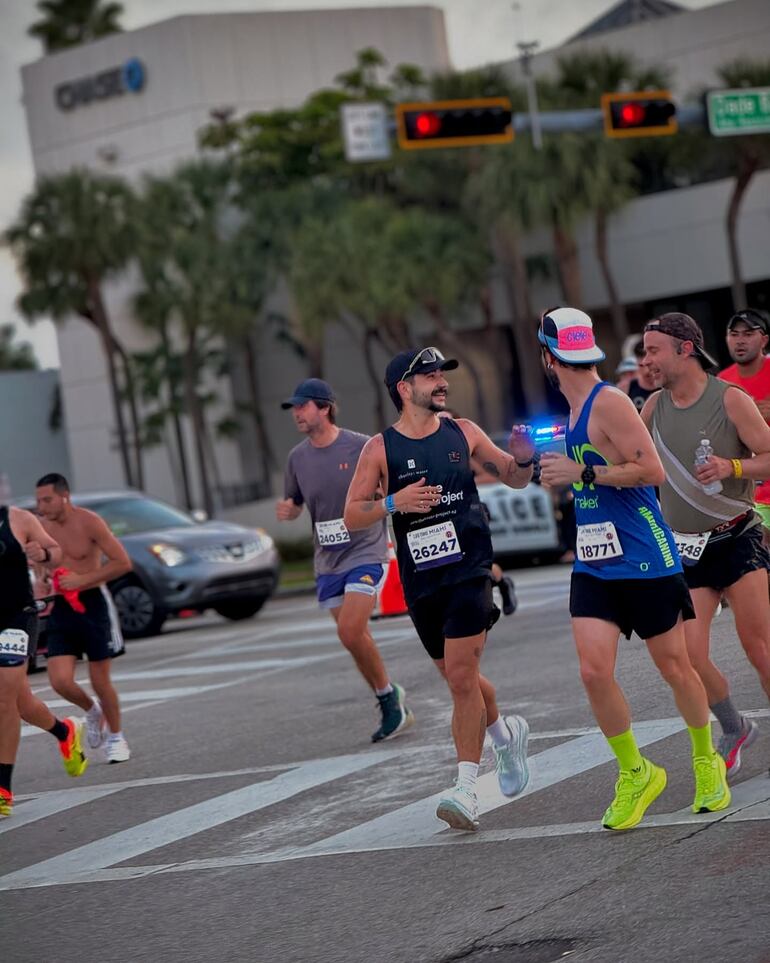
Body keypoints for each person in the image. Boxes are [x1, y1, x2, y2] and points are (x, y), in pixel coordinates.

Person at [538, 306, 729, 830]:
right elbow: (585, 472)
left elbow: (651, 469)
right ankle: (636, 772)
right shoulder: (575, 411)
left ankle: (705, 759)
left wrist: (583, 471)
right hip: (596, 562)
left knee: (674, 667)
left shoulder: (611, 403)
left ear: (548, 357)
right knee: (593, 671)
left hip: (645, 557)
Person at [344, 347, 532, 832]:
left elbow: (513, 476)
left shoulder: (463, 431)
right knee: (457, 677)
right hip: (421, 581)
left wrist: (525, 457)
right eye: (429, 376)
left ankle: (466, 787)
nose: (440, 381)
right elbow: (352, 514)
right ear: (404, 389)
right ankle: (505, 735)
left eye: (441, 373)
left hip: (469, 571)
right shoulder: (379, 449)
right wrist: (393, 501)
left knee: (464, 677)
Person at [641, 312, 770, 778]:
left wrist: (731, 468)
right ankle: (734, 727)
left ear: (685, 348)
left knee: (760, 649)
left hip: (737, 539)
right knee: (689, 657)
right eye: (645, 350)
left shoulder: (730, 399)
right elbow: (634, 465)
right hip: (686, 549)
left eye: (654, 349)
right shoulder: (653, 407)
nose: (647, 359)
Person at [276, 378, 414, 743]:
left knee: (350, 630)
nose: (297, 414)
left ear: (324, 407)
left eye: (302, 406)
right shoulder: (297, 458)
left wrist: (385, 494)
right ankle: (389, 694)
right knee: (353, 638)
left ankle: (388, 700)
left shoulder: (361, 446)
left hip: (365, 550)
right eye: (294, 408)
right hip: (328, 560)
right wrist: (289, 510)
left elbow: (390, 486)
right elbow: (295, 501)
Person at [35, 473, 133, 763]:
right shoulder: (42, 527)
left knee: (100, 680)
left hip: (93, 605)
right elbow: (42, 568)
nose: (42, 506)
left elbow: (122, 563)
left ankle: (117, 738)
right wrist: (42, 581)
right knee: (60, 680)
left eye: (47, 499)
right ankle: (92, 711)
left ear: (65, 496)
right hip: (62, 608)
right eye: (39, 500)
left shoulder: (89, 521)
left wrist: (83, 580)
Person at [0, 503, 89, 817]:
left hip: (15, 617)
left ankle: (3, 790)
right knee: (20, 701)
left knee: (4, 698)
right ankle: (64, 732)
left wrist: (43, 554)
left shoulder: (18, 519)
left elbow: (55, 552)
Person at [438, 409, 517, 615]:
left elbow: (491, 476)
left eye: (447, 421)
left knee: (474, 560)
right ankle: (499, 582)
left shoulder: (465, 448)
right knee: (455, 562)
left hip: (470, 509)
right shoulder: (429, 451)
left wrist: (463, 482)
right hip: (443, 514)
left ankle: (492, 591)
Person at [718, 308, 770, 534]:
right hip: (749, 491)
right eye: (734, 334)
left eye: (748, 334)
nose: (740, 340)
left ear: (764, 339)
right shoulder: (722, 382)